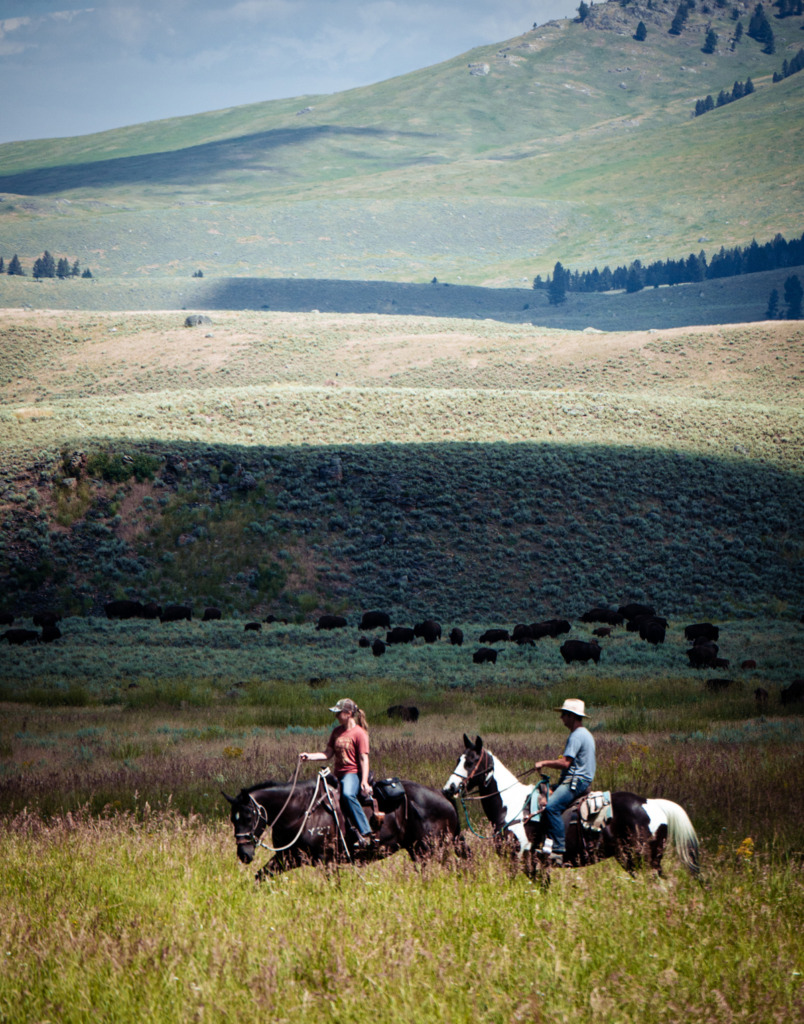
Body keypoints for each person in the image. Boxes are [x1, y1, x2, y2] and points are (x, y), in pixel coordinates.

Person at [299, 697, 376, 847]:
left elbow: (363, 759)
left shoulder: (359, 733)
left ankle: (365, 832)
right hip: (337, 775)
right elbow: (327, 753)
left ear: (348, 713)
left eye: (338, 713)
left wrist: (364, 781)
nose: (336, 716)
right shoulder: (336, 732)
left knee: (347, 795)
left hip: (352, 774)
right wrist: (309, 756)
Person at [534, 698, 596, 865]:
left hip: (576, 782)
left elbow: (565, 763)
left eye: (564, 714)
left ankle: (558, 849)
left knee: (551, 807)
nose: (561, 718)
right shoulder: (586, 734)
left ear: (572, 716)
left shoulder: (576, 736)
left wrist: (544, 763)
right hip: (581, 780)